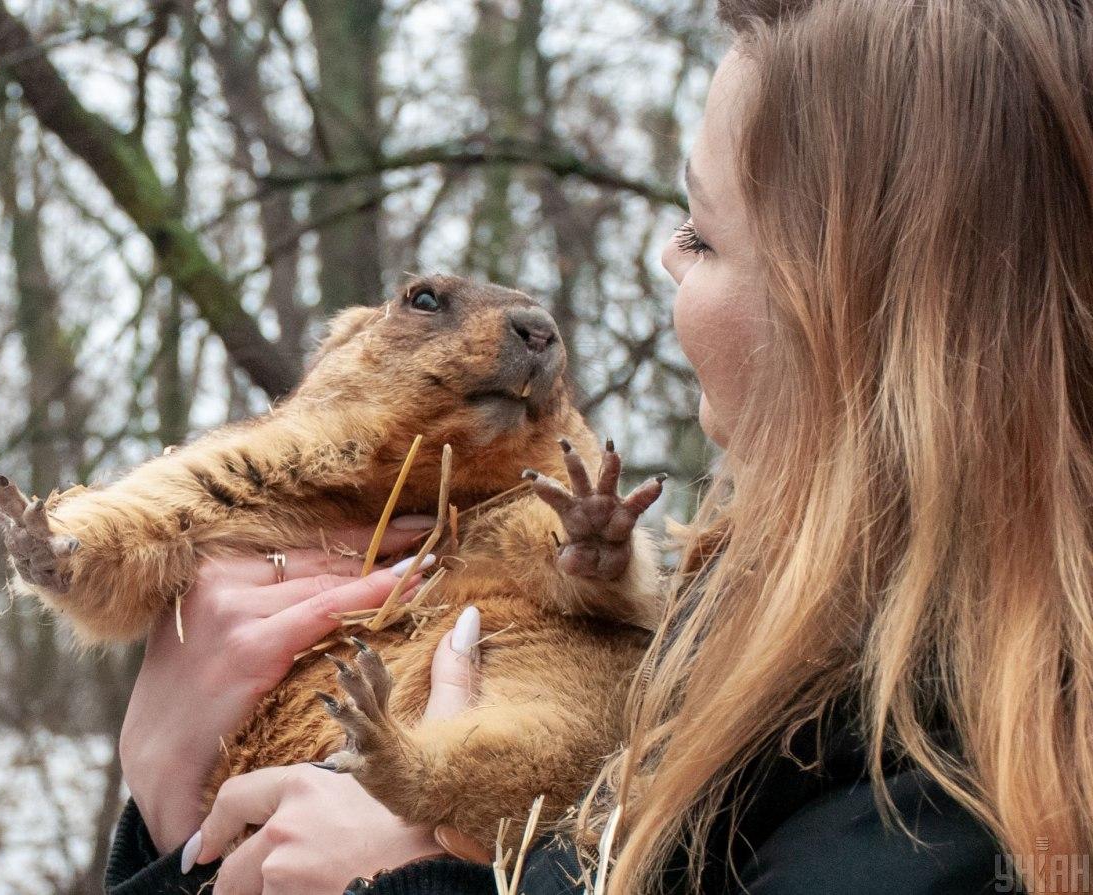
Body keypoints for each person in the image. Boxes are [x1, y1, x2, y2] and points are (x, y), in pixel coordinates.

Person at [106, 0, 1093, 891]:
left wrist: (414, 878)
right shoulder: (743, 661)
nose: (665, 257)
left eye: (701, 236)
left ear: (846, 317)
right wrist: (170, 805)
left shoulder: (927, 801)